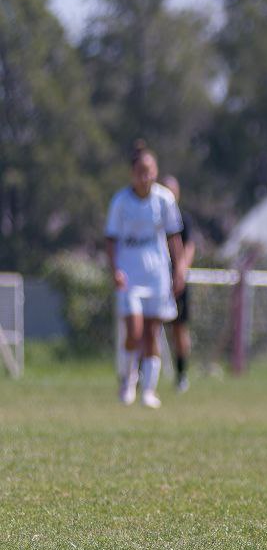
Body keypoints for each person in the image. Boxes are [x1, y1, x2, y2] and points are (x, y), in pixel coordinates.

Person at [105, 141, 186, 409]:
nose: (145, 175)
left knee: (152, 332)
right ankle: (128, 380)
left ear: (156, 171)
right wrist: (115, 269)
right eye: (140, 170)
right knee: (133, 331)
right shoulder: (120, 201)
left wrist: (180, 268)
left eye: (149, 170)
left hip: (157, 275)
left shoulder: (165, 200)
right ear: (132, 173)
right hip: (130, 275)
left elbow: (174, 237)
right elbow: (111, 239)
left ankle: (149, 390)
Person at [160, 175, 195, 393]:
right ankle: (144, 374)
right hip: (155, 278)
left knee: (179, 328)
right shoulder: (153, 216)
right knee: (150, 327)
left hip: (176, 280)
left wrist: (180, 272)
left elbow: (189, 246)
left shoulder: (183, 219)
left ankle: (181, 375)